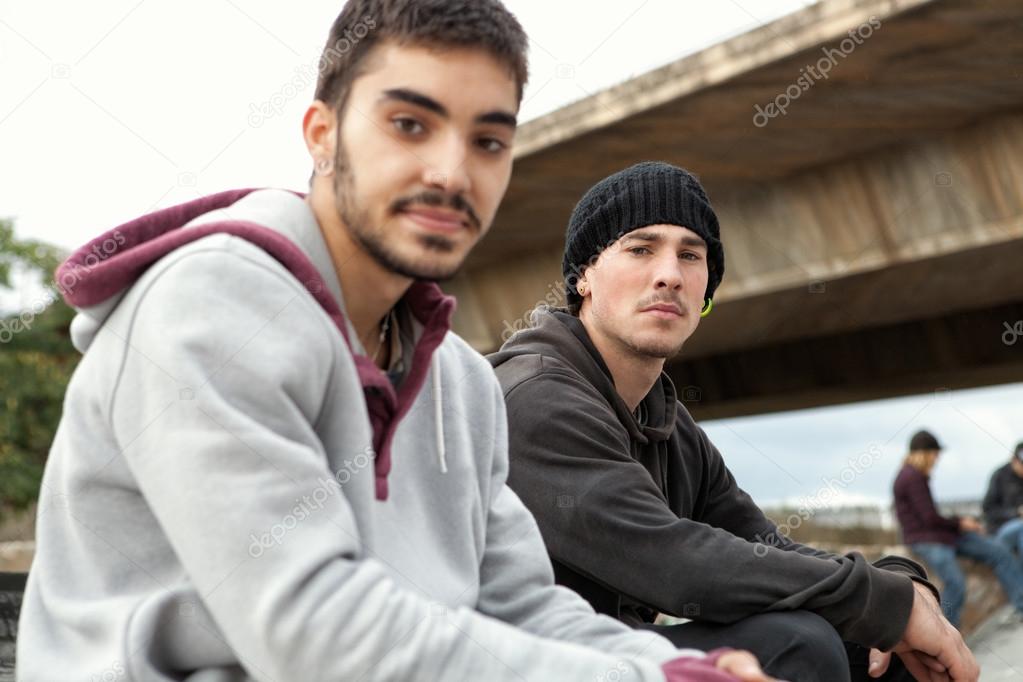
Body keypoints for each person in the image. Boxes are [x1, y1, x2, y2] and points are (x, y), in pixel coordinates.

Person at [15, 5, 772, 681]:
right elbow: (312, 632)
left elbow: (520, 605)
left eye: (487, 140)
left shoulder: (462, 384)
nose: (451, 173)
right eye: (410, 124)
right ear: (322, 136)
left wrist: (675, 663)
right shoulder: (208, 308)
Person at [488, 162, 980, 682]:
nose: (669, 274)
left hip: (610, 658)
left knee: (879, 649)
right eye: (640, 248)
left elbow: (763, 550)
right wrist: (882, 601)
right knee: (797, 644)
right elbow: (675, 564)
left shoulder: (670, 426)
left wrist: (896, 582)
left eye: (690, 255)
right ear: (583, 275)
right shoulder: (533, 397)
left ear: (706, 291)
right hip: (507, 664)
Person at [894, 429, 1023, 628]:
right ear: (925, 453)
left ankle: (1020, 605)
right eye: (935, 455)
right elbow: (929, 518)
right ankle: (943, 635)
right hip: (926, 540)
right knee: (956, 583)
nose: (936, 460)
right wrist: (961, 523)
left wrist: (960, 524)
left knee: (998, 552)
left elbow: (930, 516)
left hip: (943, 536)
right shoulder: (911, 478)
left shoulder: (915, 476)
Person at [982, 441, 1023, 556]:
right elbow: (988, 510)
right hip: (1000, 529)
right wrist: (1017, 513)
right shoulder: (1000, 476)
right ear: (1014, 460)